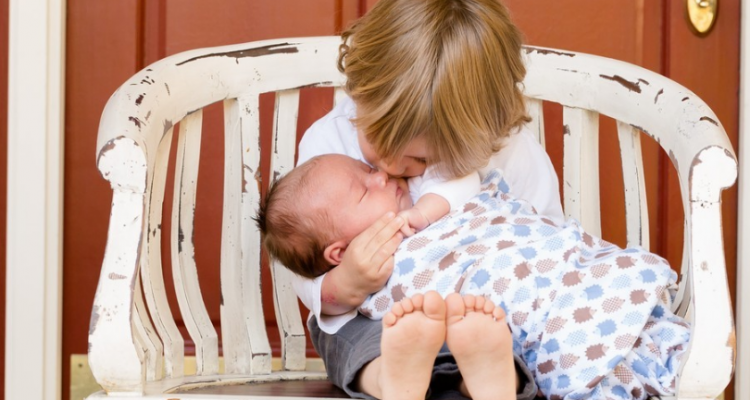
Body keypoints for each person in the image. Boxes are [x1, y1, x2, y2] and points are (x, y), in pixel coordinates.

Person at [290, 0, 564, 400]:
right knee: (350, 338)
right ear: (360, 95)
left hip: (486, 314)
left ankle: (490, 379)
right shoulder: (329, 145)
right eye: (378, 144)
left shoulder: (510, 153)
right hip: (382, 320)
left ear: (482, 132)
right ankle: (391, 378)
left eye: (421, 161)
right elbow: (304, 253)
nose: (391, 168)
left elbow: (548, 242)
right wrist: (343, 284)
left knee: (508, 342)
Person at [258, 155, 689, 400]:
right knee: (400, 324)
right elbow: (326, 300)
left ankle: (478, 377)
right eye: (363, 188)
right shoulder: (327, 161)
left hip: (559, 275)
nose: (381, 174)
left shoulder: (431, 186)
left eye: (367, 168)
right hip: (486, 313)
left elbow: (478, 193)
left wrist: (424, 211)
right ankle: (465, 378)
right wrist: (349, 281)